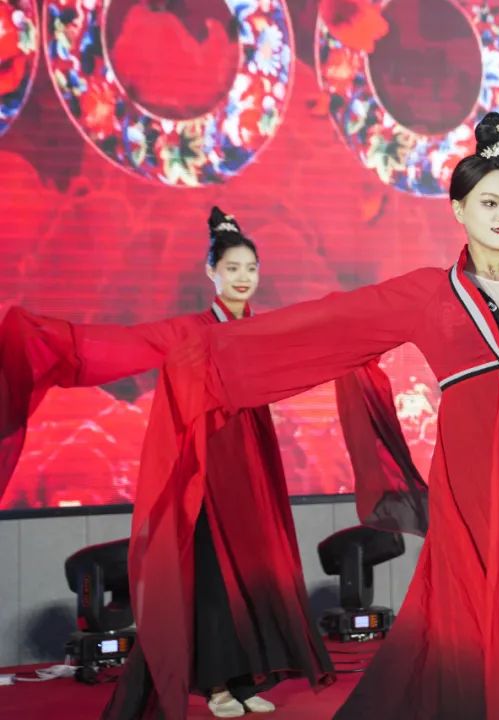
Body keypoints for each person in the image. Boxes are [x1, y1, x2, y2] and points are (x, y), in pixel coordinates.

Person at [136, 113, 499, 720]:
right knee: (482, 596)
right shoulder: (427, 292)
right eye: (489, 202)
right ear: (458, 209)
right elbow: (329, 322)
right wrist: (205, 357)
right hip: (474, 473)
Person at [0, 208, 402, 718]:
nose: (243, 277)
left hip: (252, 470)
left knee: (257, 573)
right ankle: (217, 686)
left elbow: (317, 336)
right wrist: (45, 338)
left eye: (251, 268)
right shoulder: (189, 330)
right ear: (211, 272)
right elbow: (122, 346)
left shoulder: (264, 329)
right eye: (232, 268)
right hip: (204, 473)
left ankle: (248, 679)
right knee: (212, 582)